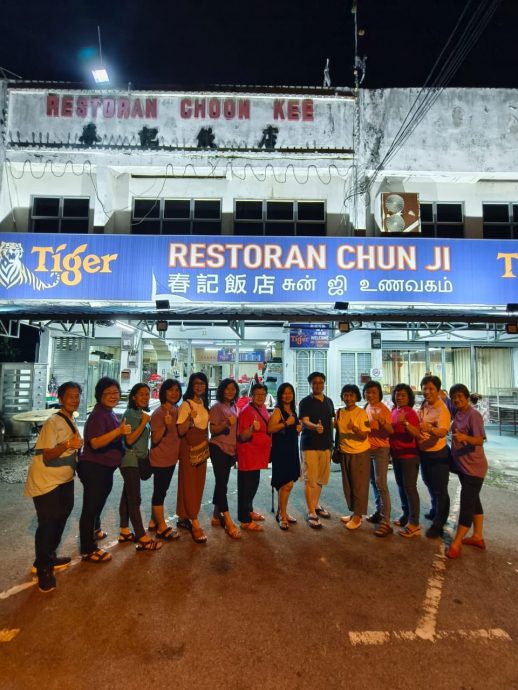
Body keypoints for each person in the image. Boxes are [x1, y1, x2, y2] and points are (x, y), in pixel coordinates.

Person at [25, 382, 83, 592]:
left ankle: (47, 557)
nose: (74, 399)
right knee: (48, 523)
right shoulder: (52, 422)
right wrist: (68, 445)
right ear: (60, 398)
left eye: (77, 396)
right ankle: (43, 570)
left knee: (61, 517)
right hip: (47, 480)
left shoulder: (70, 419)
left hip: (64, 479)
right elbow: (48, 454)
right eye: (70, 396)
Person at [78, 377, 131, 563]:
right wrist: (119, 432)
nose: (113, 396)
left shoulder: (108, 412)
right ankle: (88, 549)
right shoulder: (98, 415)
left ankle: (95, 529)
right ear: (99, 395)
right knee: (90, 508)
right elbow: (94, 442)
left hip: (104, 467)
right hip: (94, 467)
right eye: (108, 393)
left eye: (115, 393)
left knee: (98, 502)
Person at [446, 383, 488, 559]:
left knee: (467, 503)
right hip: (463, 467)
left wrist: (465, 438)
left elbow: (480, 440)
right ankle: (478, 536)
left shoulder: (474, 415)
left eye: (460, 396)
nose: (457, 400)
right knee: (474, 500)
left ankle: (456, 542)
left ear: (467, 397)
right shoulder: (458, 413)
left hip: (474, 468)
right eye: (454, 397)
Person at [118, 383, 162, 551]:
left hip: (136, 460)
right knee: (135, 499)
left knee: (127, 495)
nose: (145, 397)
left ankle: (124, 530)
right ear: (133, 397)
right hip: (130, 461)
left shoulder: (139, 413)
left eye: (147, 394)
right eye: (141, 394)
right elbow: (129, 440)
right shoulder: (131, 414)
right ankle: (142, 538)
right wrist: (144, 423)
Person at [176, 372, 210, 544]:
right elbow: (181, 431)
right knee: (189, 484)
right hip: (189, 447)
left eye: (202, 383)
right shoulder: (186, 405)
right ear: (191, 385)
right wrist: (190, 420)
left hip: (202, 448)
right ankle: (195, 522)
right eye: (196, 383)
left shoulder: (203, 403)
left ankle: (184, 516)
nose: (199, 386)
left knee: (198, 484)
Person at [299, 371, 335, 529]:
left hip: (326, 445)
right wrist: (315, 427)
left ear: (324, 383)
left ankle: (316, 504)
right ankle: (311, 511)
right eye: (315, 383)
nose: (318, 385)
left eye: (320, 382)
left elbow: (332, 422)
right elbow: (305, 421)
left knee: (321, 478)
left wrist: (332, 443)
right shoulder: (305, 402)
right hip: (310, 445)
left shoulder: (329, 401)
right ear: (310, 384)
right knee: (310, 479)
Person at [417, 375, 451, 539]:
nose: (427, 391)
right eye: (425, 388)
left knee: (440, 489)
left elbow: (443, 432)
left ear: (438, 390)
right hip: (424, 452)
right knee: (428, 482)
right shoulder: (425, 405)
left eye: (431, 388)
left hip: (438, 454)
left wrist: (429, 428)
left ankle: (439, 523)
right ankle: (435, 509)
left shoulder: (442, 409)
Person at [148, 378, 182, 540]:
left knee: (162, 489)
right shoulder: (159, 413)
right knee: (160, 491)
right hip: (160, 458)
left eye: (176, 390)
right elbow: (154, 440)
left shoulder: (177, 409)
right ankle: (161, 528)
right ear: (163, 393)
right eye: (170, 390)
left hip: (171, 458)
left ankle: (153, 520)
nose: (174, 393)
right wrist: (165, 425)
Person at [237, 383, 272, 532]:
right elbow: (241, 436)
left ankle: (249, 510)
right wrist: (252, 429)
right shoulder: (246, 411)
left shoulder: (262, 408)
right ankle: (244, 520)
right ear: (251, 395)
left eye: (262, 394)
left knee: (253, 485)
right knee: (246, 488)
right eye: (257, 394)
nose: (260, 397)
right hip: (248, 455)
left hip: (258, 455)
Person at [209, 378, 241, 539]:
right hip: (218, 448)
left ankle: (215, 516)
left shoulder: (234, 407)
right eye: (227, 389)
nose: (230, 391)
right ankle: (228, 520)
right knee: (222, 484)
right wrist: (226, 424)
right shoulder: (216, 407)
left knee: (222, 483)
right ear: (222, 390)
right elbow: (212, 430)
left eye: (233, 389)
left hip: (230, 450)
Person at [337, 384, 371, 531]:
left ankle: (358, 516)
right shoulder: (339, 412)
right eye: (346, 395)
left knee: (359, 486)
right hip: (345, 452)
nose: (348, 398)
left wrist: (355, 428)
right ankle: (354, 513)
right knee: (349, 485)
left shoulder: (361, 413)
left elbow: (365, 434)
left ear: (357, 397)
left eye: (351, 395)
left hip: (360, 453)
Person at [389, 384, 422, 538]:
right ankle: (405, 515)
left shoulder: (411, 413)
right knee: (401, 487)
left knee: (410, 488)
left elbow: (417, 433)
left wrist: (405, 423)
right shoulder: (393, 411)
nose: (399, 397)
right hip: (396, 456)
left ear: (409, 397)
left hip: (409, 457)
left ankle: (414, 523)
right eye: (397, 394)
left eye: (403, 395)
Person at [268, 382, 301, 530]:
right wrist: (287, 423)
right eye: (284, 393)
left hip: (292, 449)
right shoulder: (278, 411)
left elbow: (293, 428)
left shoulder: (292, 410)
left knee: (289, 483)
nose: (287, 395)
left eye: (290, 393)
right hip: (281, 451)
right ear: (280, 395)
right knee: (285, 483)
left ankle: (283, 512)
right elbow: (270, 428)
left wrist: (297, 428)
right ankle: (282, 515)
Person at [363, 381, 394, 537]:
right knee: (374, 483)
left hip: (381, 450)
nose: (370, 395)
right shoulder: (367, 407)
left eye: (374, 392)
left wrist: (381, 421)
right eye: (368, 392)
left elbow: (390, 431)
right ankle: (378, 512)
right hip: (368, 449)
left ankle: (386, 521)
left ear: (379, 394)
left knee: (381, 484)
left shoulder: (383, 409)